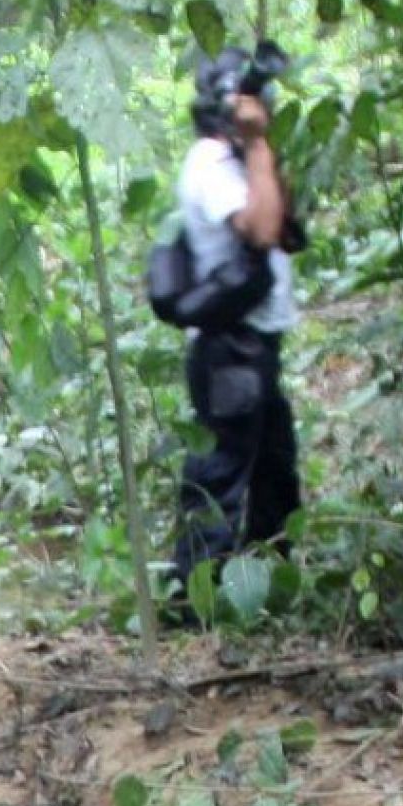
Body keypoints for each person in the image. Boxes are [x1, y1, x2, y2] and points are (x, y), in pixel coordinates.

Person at [167, 46, 301, 594]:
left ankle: (266, 588)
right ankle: (197, 601)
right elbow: (262, 230)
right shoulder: (210, 163)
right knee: (220, 475)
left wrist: (259, 150)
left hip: (256, 346)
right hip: (230, 350)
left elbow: (287, 221)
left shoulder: (244, 159)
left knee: (274, 475)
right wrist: (257, 142)